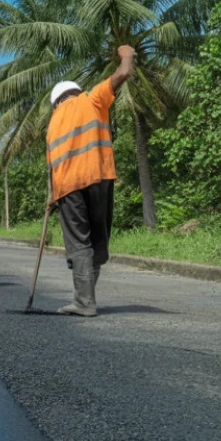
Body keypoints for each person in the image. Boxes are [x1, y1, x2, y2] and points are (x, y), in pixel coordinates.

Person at [46, 44, 136, 316]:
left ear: (57, 101)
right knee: (97, 238)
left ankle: (84, 302)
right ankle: (86, 298)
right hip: (99, 178)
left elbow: (52, 166)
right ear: (74, 92)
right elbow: (123, 74)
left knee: (78, 242)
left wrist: (51, 198)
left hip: (67, 188)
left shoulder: (51, 125)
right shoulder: (92, 98)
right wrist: (127, 53)